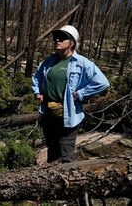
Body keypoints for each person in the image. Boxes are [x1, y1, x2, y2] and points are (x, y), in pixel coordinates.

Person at [32, 25, 110, 163]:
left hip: (68, 114)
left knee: (66, 155)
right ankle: (48, 181)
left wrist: (79, 94)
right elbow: (37, 76)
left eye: (62, 38)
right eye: (55, 37)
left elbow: (102, 82)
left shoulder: (81, 62)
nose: (57, 40)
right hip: (49, 113)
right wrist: (38, 92)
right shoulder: (49, 61)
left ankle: (69, 180)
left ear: (72, 42)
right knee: (52, 151)